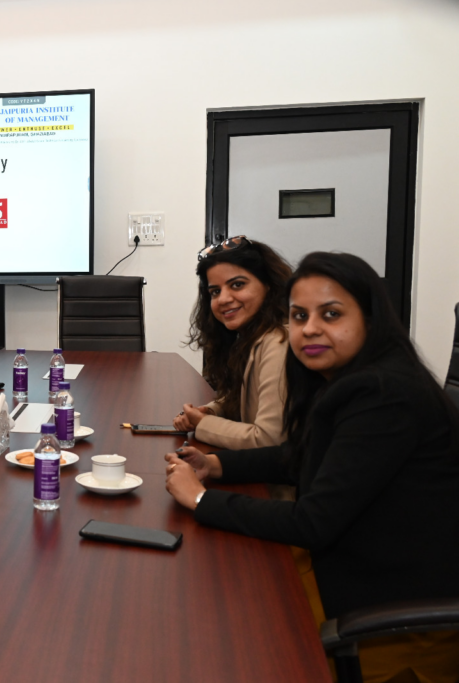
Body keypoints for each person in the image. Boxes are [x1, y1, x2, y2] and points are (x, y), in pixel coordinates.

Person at [165, 252, 459, 683]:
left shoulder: (384, 394)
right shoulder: (348, 379)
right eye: (299, 315)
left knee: (223, 639)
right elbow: (301, 456)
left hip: (391, 620)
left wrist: (201, 499)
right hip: (355, 570)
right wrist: (215, 465)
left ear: (371, 319)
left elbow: (312, 522)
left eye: (331, 314)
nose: (310, 329)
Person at [174, 235, 293, 450]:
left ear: (269, 285)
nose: (224, 299)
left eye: (237, 285)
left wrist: (203, 423)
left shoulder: (279, 342)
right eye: (215, 291)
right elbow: (249, 398)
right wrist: (212, 410)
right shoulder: (251, 336)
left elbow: (268, 440)